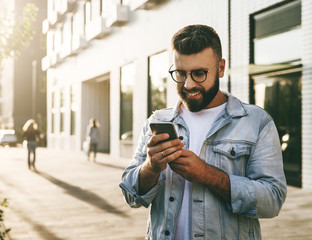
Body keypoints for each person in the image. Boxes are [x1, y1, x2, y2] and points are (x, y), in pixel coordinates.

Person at [120, 24, 287, 239]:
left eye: (199, 73)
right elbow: (130, 195)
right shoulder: (158, 121)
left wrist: (206, 174)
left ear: (221, 68)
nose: (188, 84)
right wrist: (151, 167)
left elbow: (272, 200)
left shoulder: (256, 122)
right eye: (180, 73)